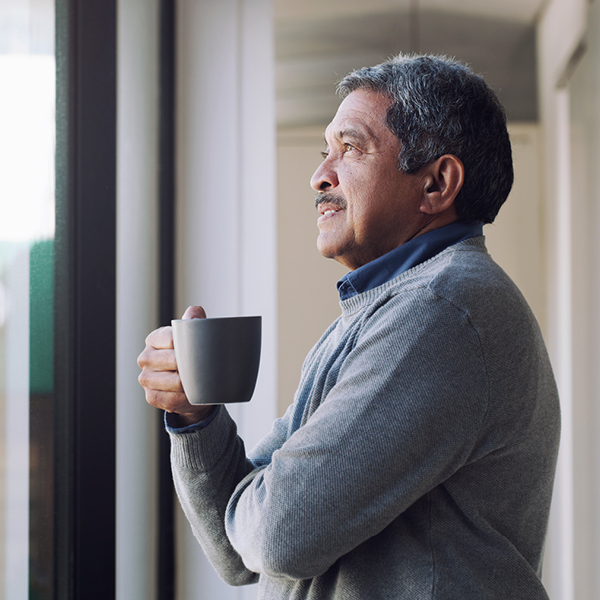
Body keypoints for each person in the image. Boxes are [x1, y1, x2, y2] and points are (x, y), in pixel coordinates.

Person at [138, 54, 560, 599]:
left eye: (352, 148)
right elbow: (236, 552)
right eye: (325, 152)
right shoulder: (380, 312)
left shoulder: (443, 309)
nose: (319, 175)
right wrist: (194, 418)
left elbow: (278, 538)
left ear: (437, 183)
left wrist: (261, 505)